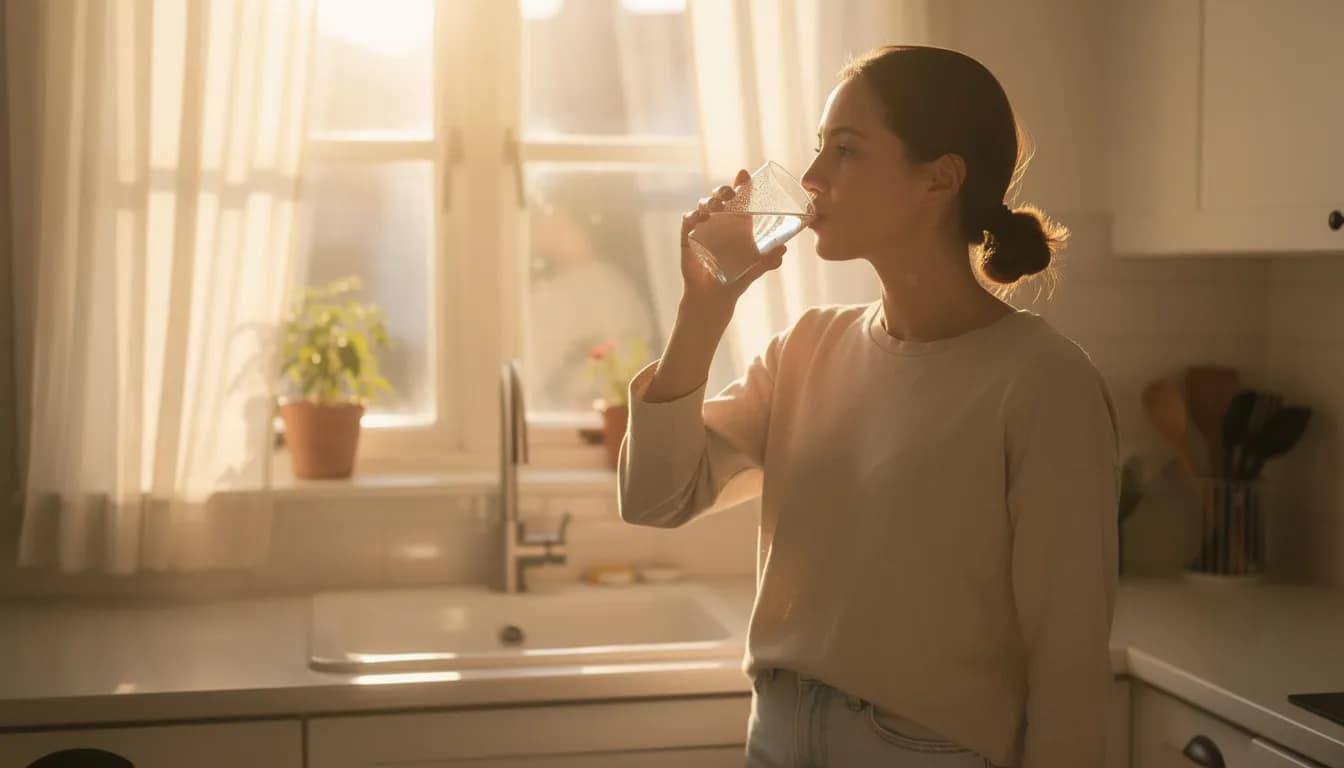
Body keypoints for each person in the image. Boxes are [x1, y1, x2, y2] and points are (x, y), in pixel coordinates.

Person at [616, 45, 1119, 768]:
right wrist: (704, 309)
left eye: (845, 150)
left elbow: (1068, 663)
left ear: (939, 179)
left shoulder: (1043, 383)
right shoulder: (806, 350)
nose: (813, 179)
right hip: (778, 737)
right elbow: (654, 499)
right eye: (819, 148)